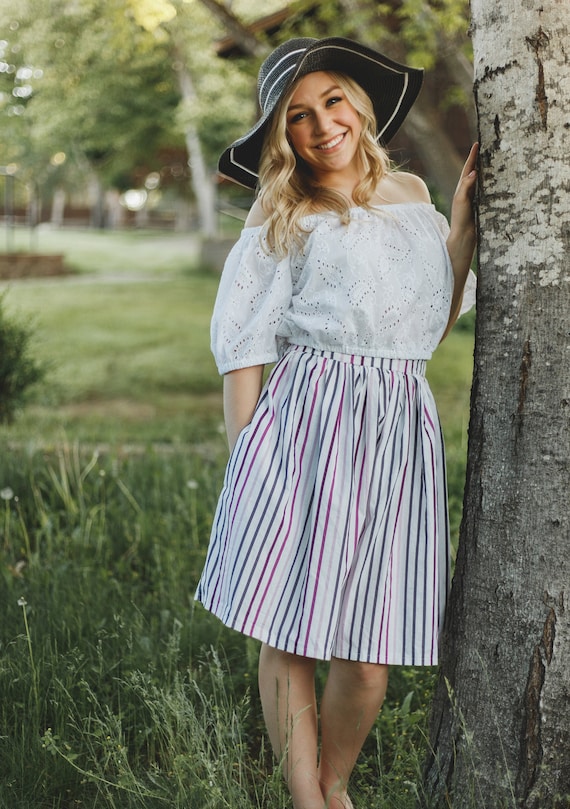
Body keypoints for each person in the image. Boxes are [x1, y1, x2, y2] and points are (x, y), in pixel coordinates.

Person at [195, 36, 477, 809]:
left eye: (333, 101)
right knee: (289, 629)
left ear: (359, 104)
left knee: (368, 656)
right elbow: (243, 343)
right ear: (283, 135)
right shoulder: (283, 209)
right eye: (299, 115)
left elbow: (422, 327)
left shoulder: (413, 194)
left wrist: (459, 231)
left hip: (396, 432)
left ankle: (335, 780)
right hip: (304, 424)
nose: (323, 124)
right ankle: (309, 799)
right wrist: (250, 460)